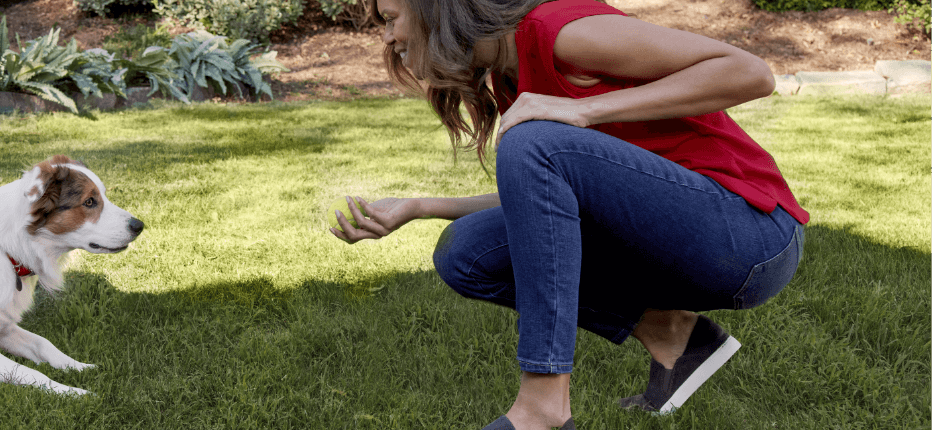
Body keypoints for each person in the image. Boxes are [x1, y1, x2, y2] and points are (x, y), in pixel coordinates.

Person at [328, 0, 808, 428]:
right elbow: (541, 197)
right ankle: (675, 337)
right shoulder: (512, 77)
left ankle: (543, 409)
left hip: (750, 235)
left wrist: (584, 110)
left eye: (390, 19)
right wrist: (419, 207)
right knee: (466, 253)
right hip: (678, 238)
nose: (387, 38)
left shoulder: (559, 28)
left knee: (532, 141)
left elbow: (749, 72)